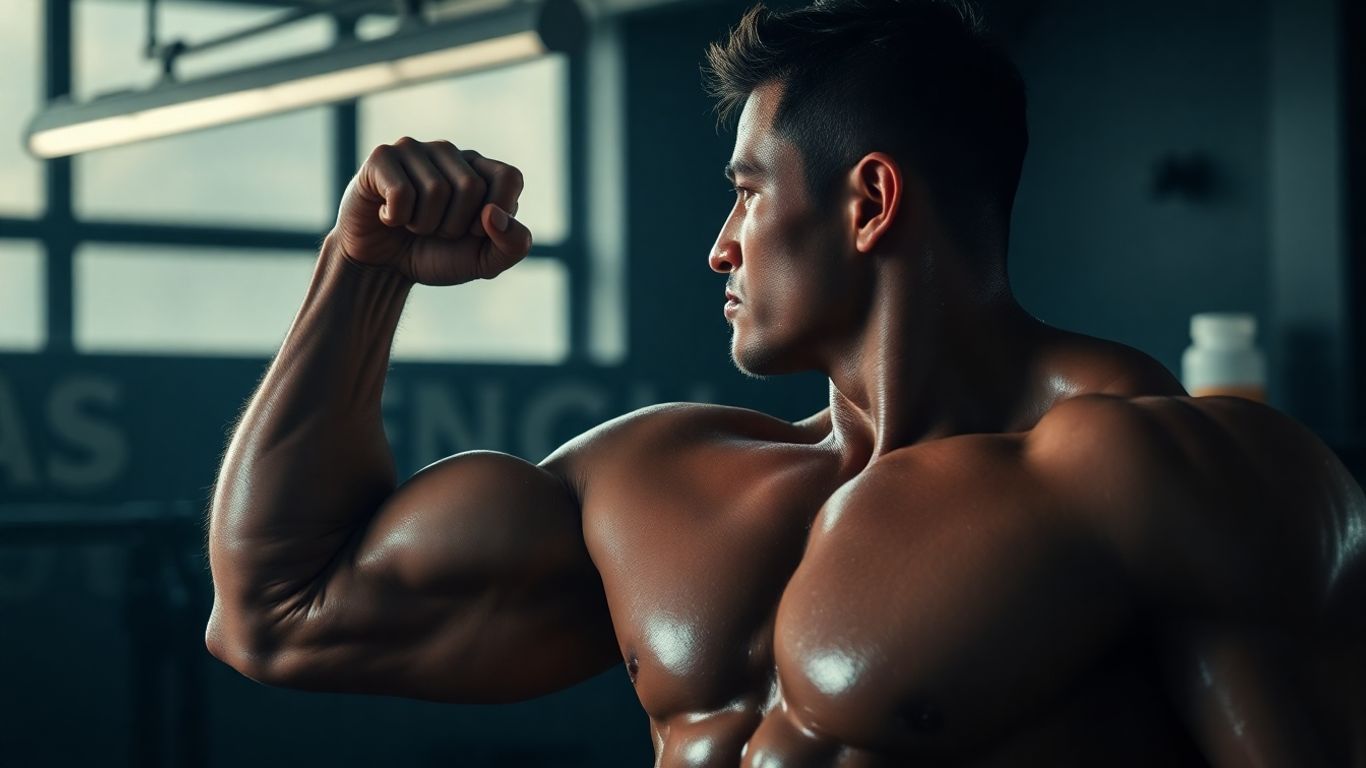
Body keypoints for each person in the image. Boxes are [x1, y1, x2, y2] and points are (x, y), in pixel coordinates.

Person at [205, 0, 1366, 764]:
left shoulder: (1150, 475)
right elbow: (278, 615)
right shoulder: (657, 479)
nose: (719, 247)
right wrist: (360, 270)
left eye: (747, 191)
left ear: (868, 202)